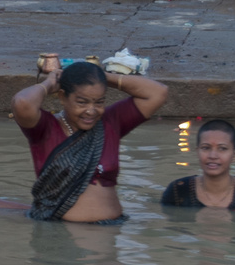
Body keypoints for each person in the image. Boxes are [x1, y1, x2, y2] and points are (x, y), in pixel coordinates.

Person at [11, 60, 169, 224]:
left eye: (99, 102)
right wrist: (49, 83)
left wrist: (102, 77)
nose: (91, 111)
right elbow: (22, 103)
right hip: (59, 234)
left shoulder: (110, 122)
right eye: (82, 102)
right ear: (62, 97)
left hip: (111, 230)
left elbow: (158, 92)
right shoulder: (45, 129)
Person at [161, 120, 235, 211]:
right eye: (206, 148)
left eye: (222, 149)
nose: (213, 155)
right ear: (197, 152)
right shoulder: (178, 191)